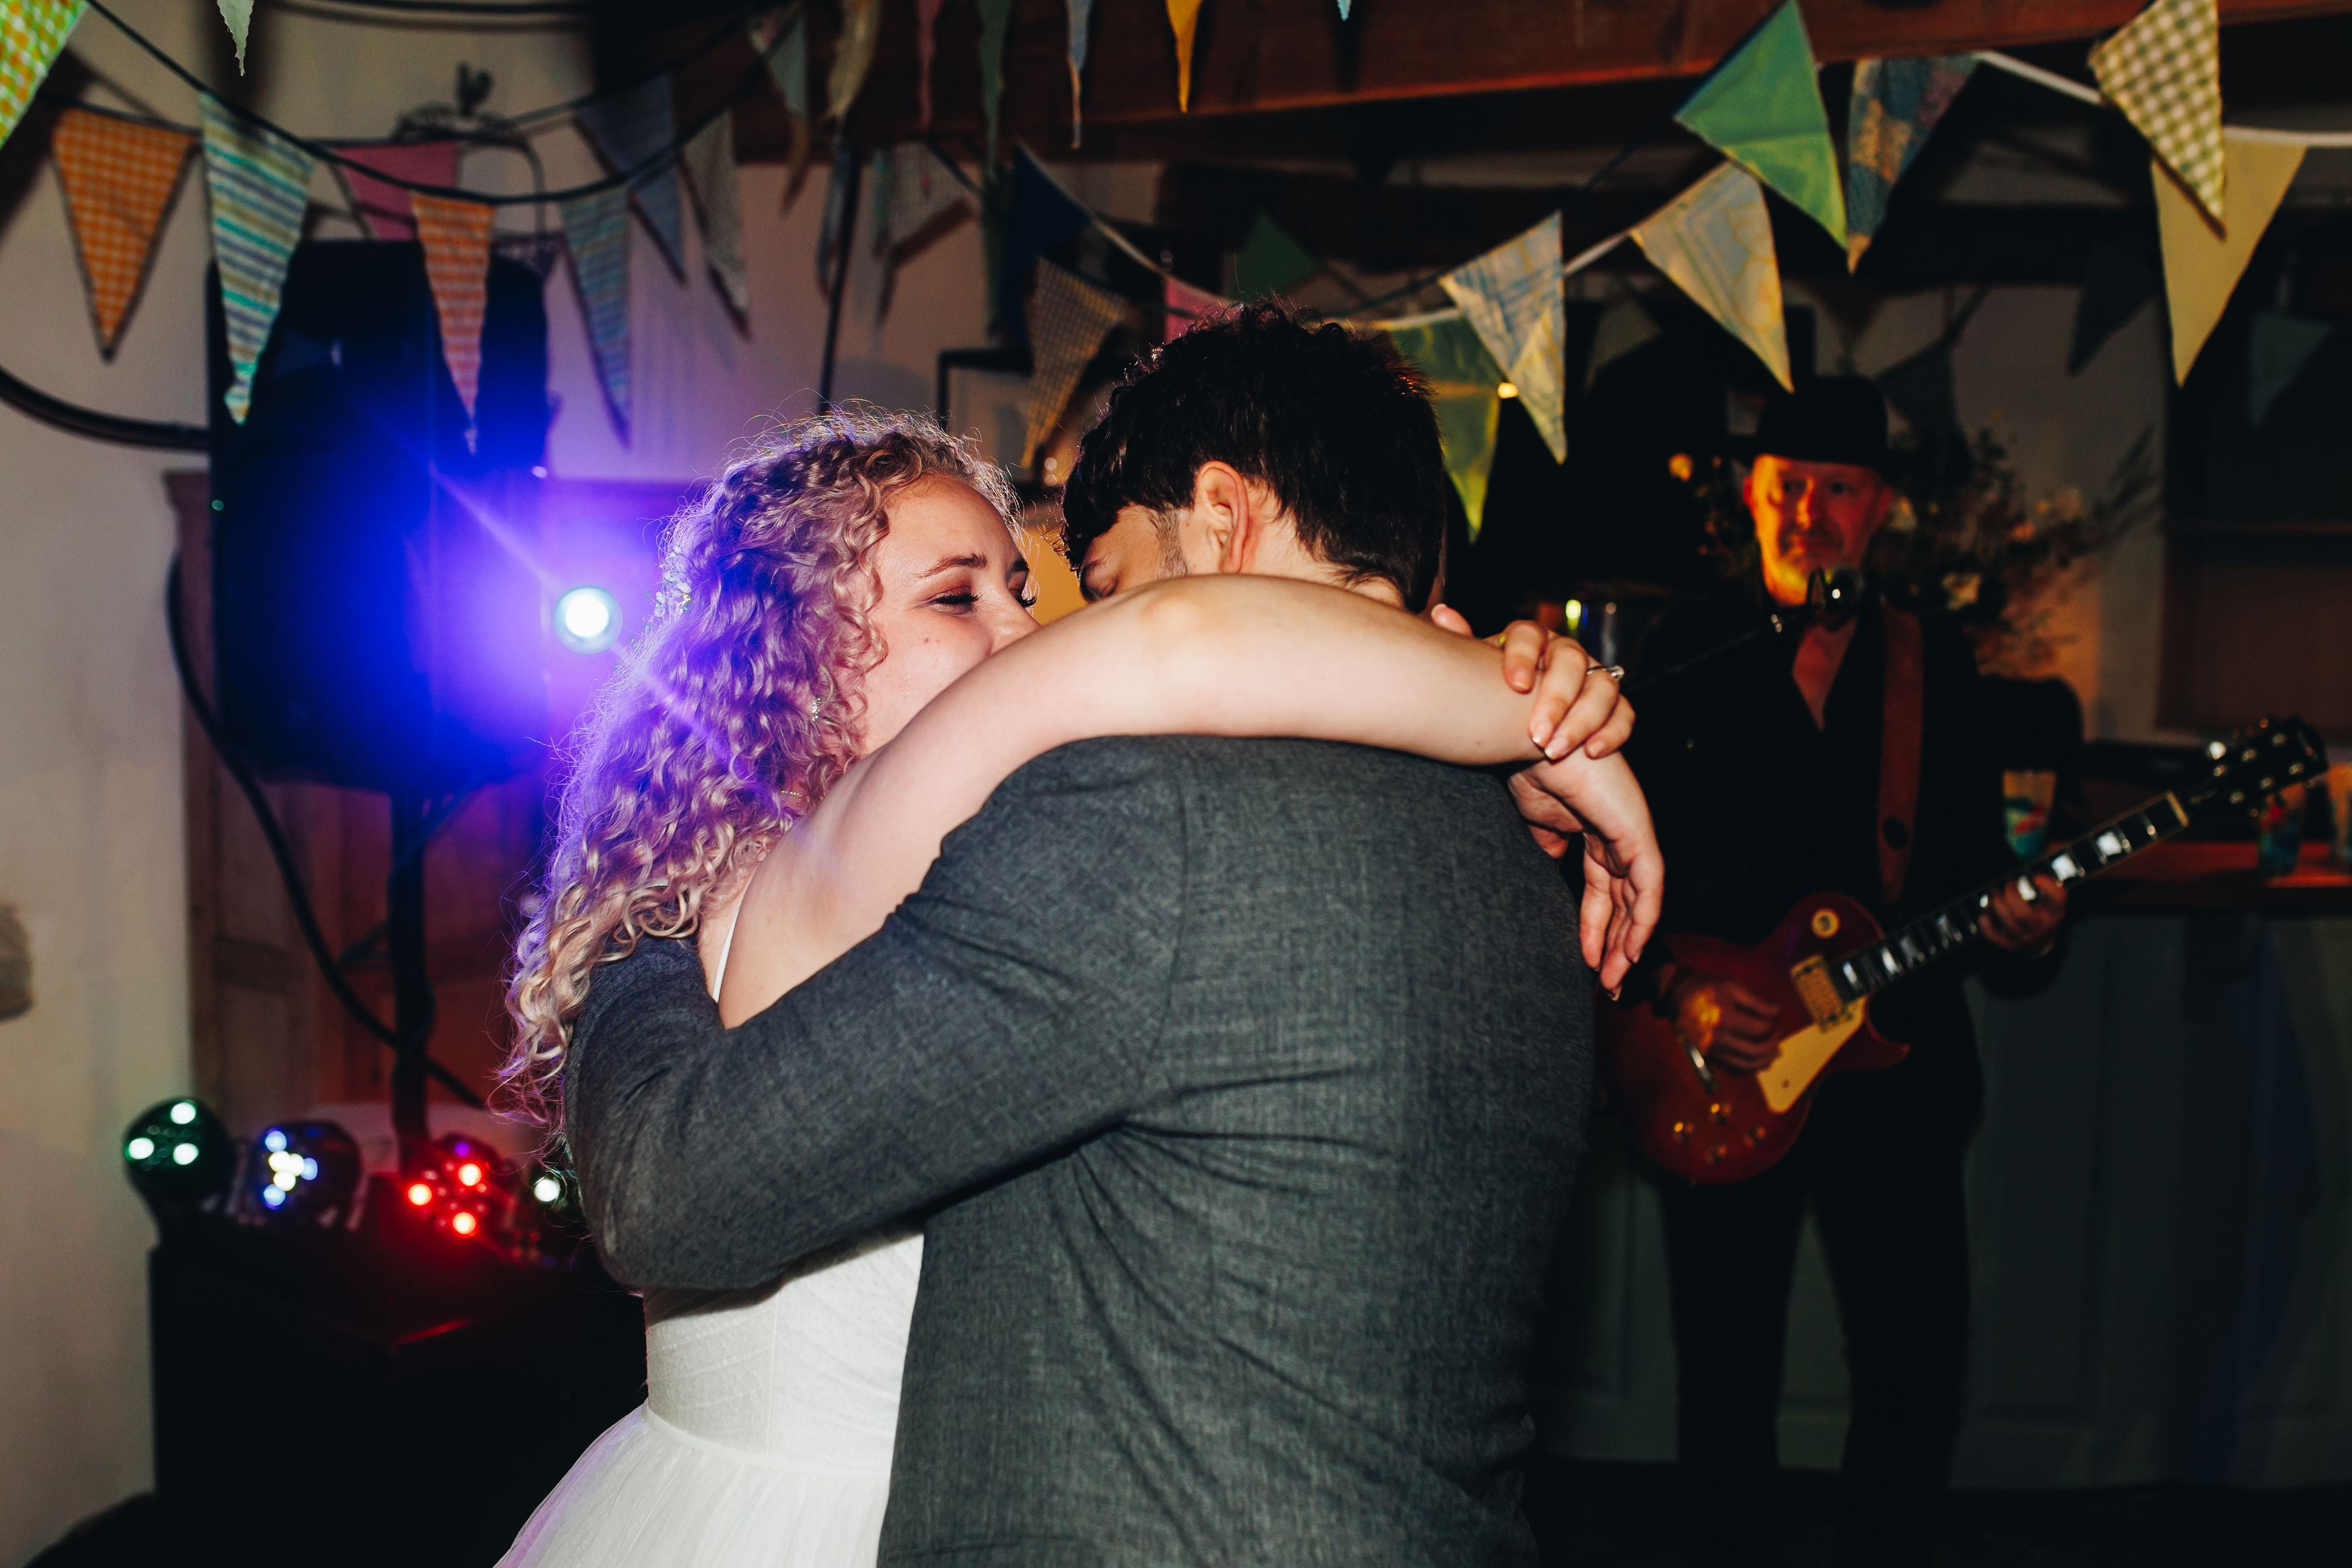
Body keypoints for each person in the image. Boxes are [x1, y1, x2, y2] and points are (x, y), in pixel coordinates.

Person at [500, 367, 1659, 1564]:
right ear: (795, 661)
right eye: (964, 599)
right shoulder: (1519, 863)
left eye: (1052, 589)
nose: (1039, 636)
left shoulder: (1122, 819)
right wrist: (1518, 700)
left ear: (1224, 517)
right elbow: (1172, 643)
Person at [1618, 376, 2066, 1567]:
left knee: (1914, 1376)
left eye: (1838, 491)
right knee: (1723, 1378)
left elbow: (1974, 870)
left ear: (1881, 511)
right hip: (1718, 1061)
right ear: (1752, 495)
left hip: (1896, 1077)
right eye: (1789, 487)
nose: (1809, 511)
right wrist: (1683, 993)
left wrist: (2025, 924)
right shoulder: (1686, 649)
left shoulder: (1935, 667)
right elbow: (1609, 869)